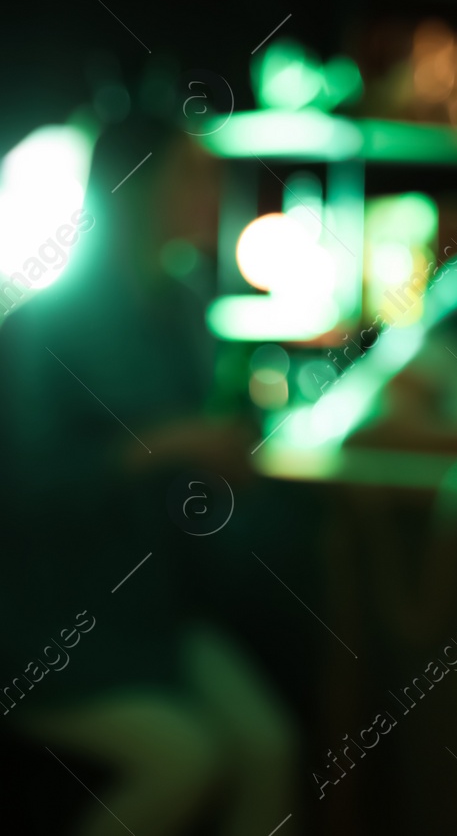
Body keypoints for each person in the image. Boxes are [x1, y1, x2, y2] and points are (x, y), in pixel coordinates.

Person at [0, 113, 300, 835]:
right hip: (54, 626)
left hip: (157, 613)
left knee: (268, 746)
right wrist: (159, 446)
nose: (211, 192)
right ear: (129, 188)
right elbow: (23, 488)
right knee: (186, 758)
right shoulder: (42, 321)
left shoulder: (186, 308)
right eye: (188, 174)